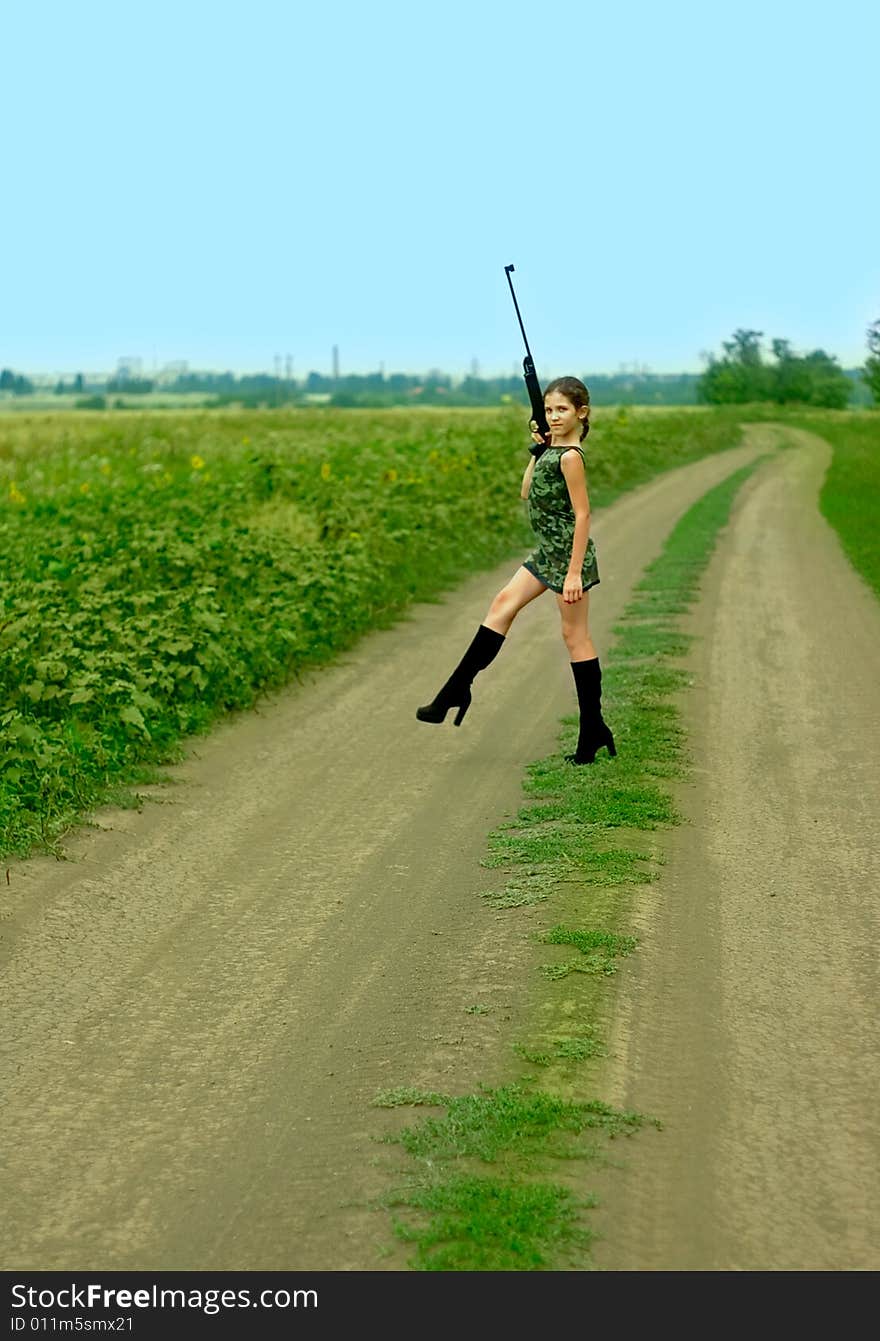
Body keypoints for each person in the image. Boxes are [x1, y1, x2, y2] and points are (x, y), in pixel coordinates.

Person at [416, 376, 616, 765]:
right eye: (548, 410)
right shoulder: (551, 450)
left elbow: (583, 514)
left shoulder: (572, 457)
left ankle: (592, 728)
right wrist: (537, 449)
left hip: (565, 557)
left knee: (574, 636)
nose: (554, 416)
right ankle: (457, 689)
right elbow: (526, 490)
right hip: (546, 552)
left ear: (581, 413)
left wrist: (574, 573)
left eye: (562, 410)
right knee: (502, 605)